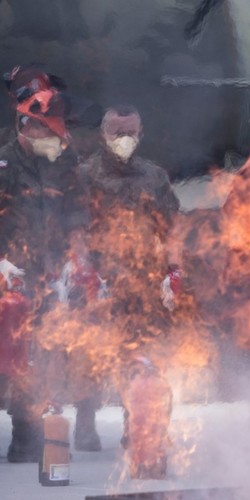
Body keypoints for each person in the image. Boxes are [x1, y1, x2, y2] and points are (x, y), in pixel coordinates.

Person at [77, 105, 181, 450]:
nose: (124, 139)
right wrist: (81, 271)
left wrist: (173, 273)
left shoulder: (153, 177)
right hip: (99, 279)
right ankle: (85, 419)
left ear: (140, 134)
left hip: (143, 283)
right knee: (92, 355)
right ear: (102, 134)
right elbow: (72, 229)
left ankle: (138, 425)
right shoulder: (83, 175)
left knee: (145, 355)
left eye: (130, 132)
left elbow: (171, 229)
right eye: (117, 132)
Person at [0, 88, 89, 462]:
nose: (55, 138)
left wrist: (75, 254)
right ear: (26, 127)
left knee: (40, 355)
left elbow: (77, 211)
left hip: (50, 274)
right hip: (10, 275)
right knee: (9, 354)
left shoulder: (64, 162)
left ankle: (28, 430)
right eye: (47, 131)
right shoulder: (3, 165)